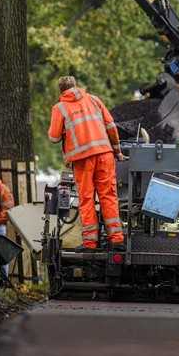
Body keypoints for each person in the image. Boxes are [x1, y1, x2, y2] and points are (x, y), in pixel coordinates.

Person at [48, 76, 125, 251]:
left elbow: (53, 137)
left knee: (86, 199)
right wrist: (117, 151)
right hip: (105, 155)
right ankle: (117, 240)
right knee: (109, 196)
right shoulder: (94, 99)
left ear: (61, 91)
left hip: (83, 160)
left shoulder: (59, 107)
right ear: (76, 86)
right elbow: (111, 126)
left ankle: (90, 243)